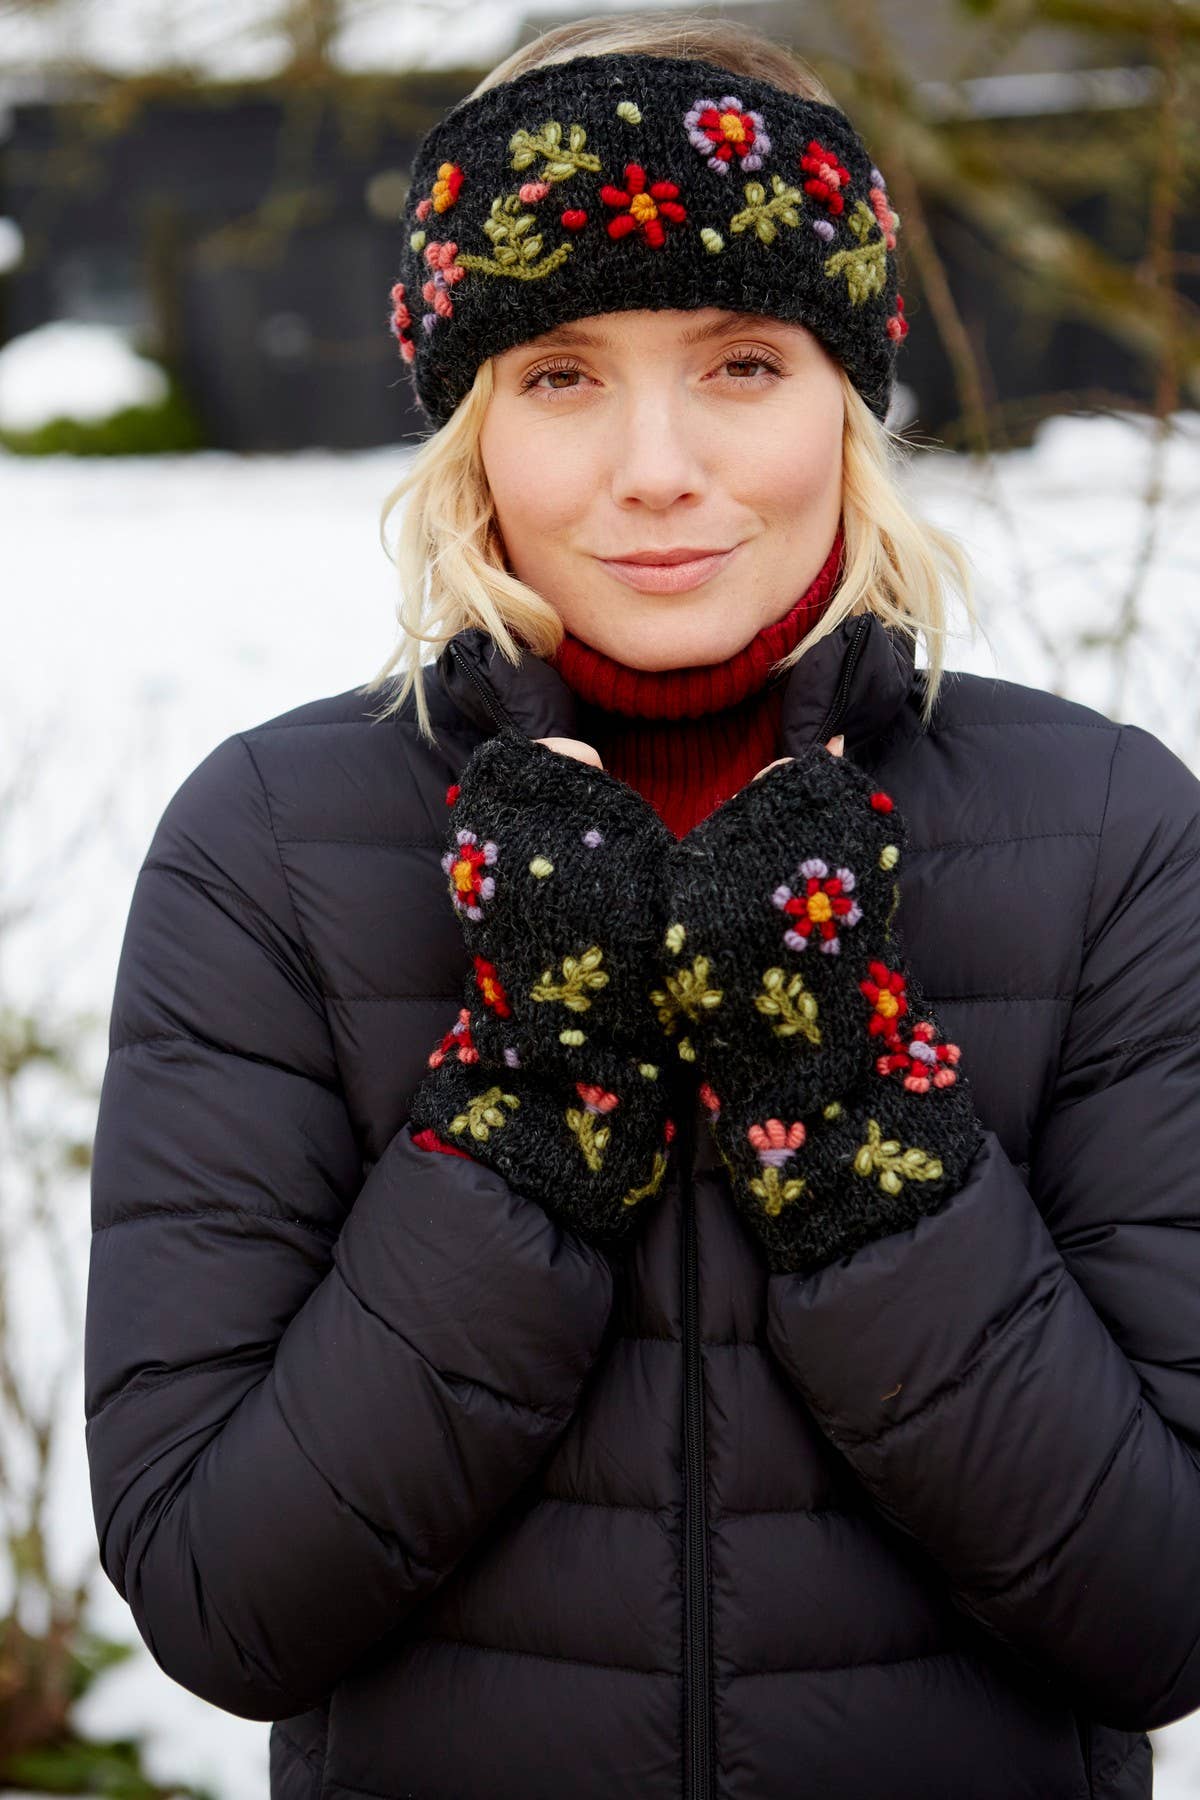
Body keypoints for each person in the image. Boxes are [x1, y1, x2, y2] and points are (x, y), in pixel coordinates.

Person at [83, 18, 1200, 1800]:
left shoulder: (1113, 833)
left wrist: (834, 1097)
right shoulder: (275, 845)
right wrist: (545, 1083)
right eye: (561, 373)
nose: (657, 465)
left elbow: (1164, 1609)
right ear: (470, 425)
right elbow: (229, 1602)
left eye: (743, 362)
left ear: (852, 388)